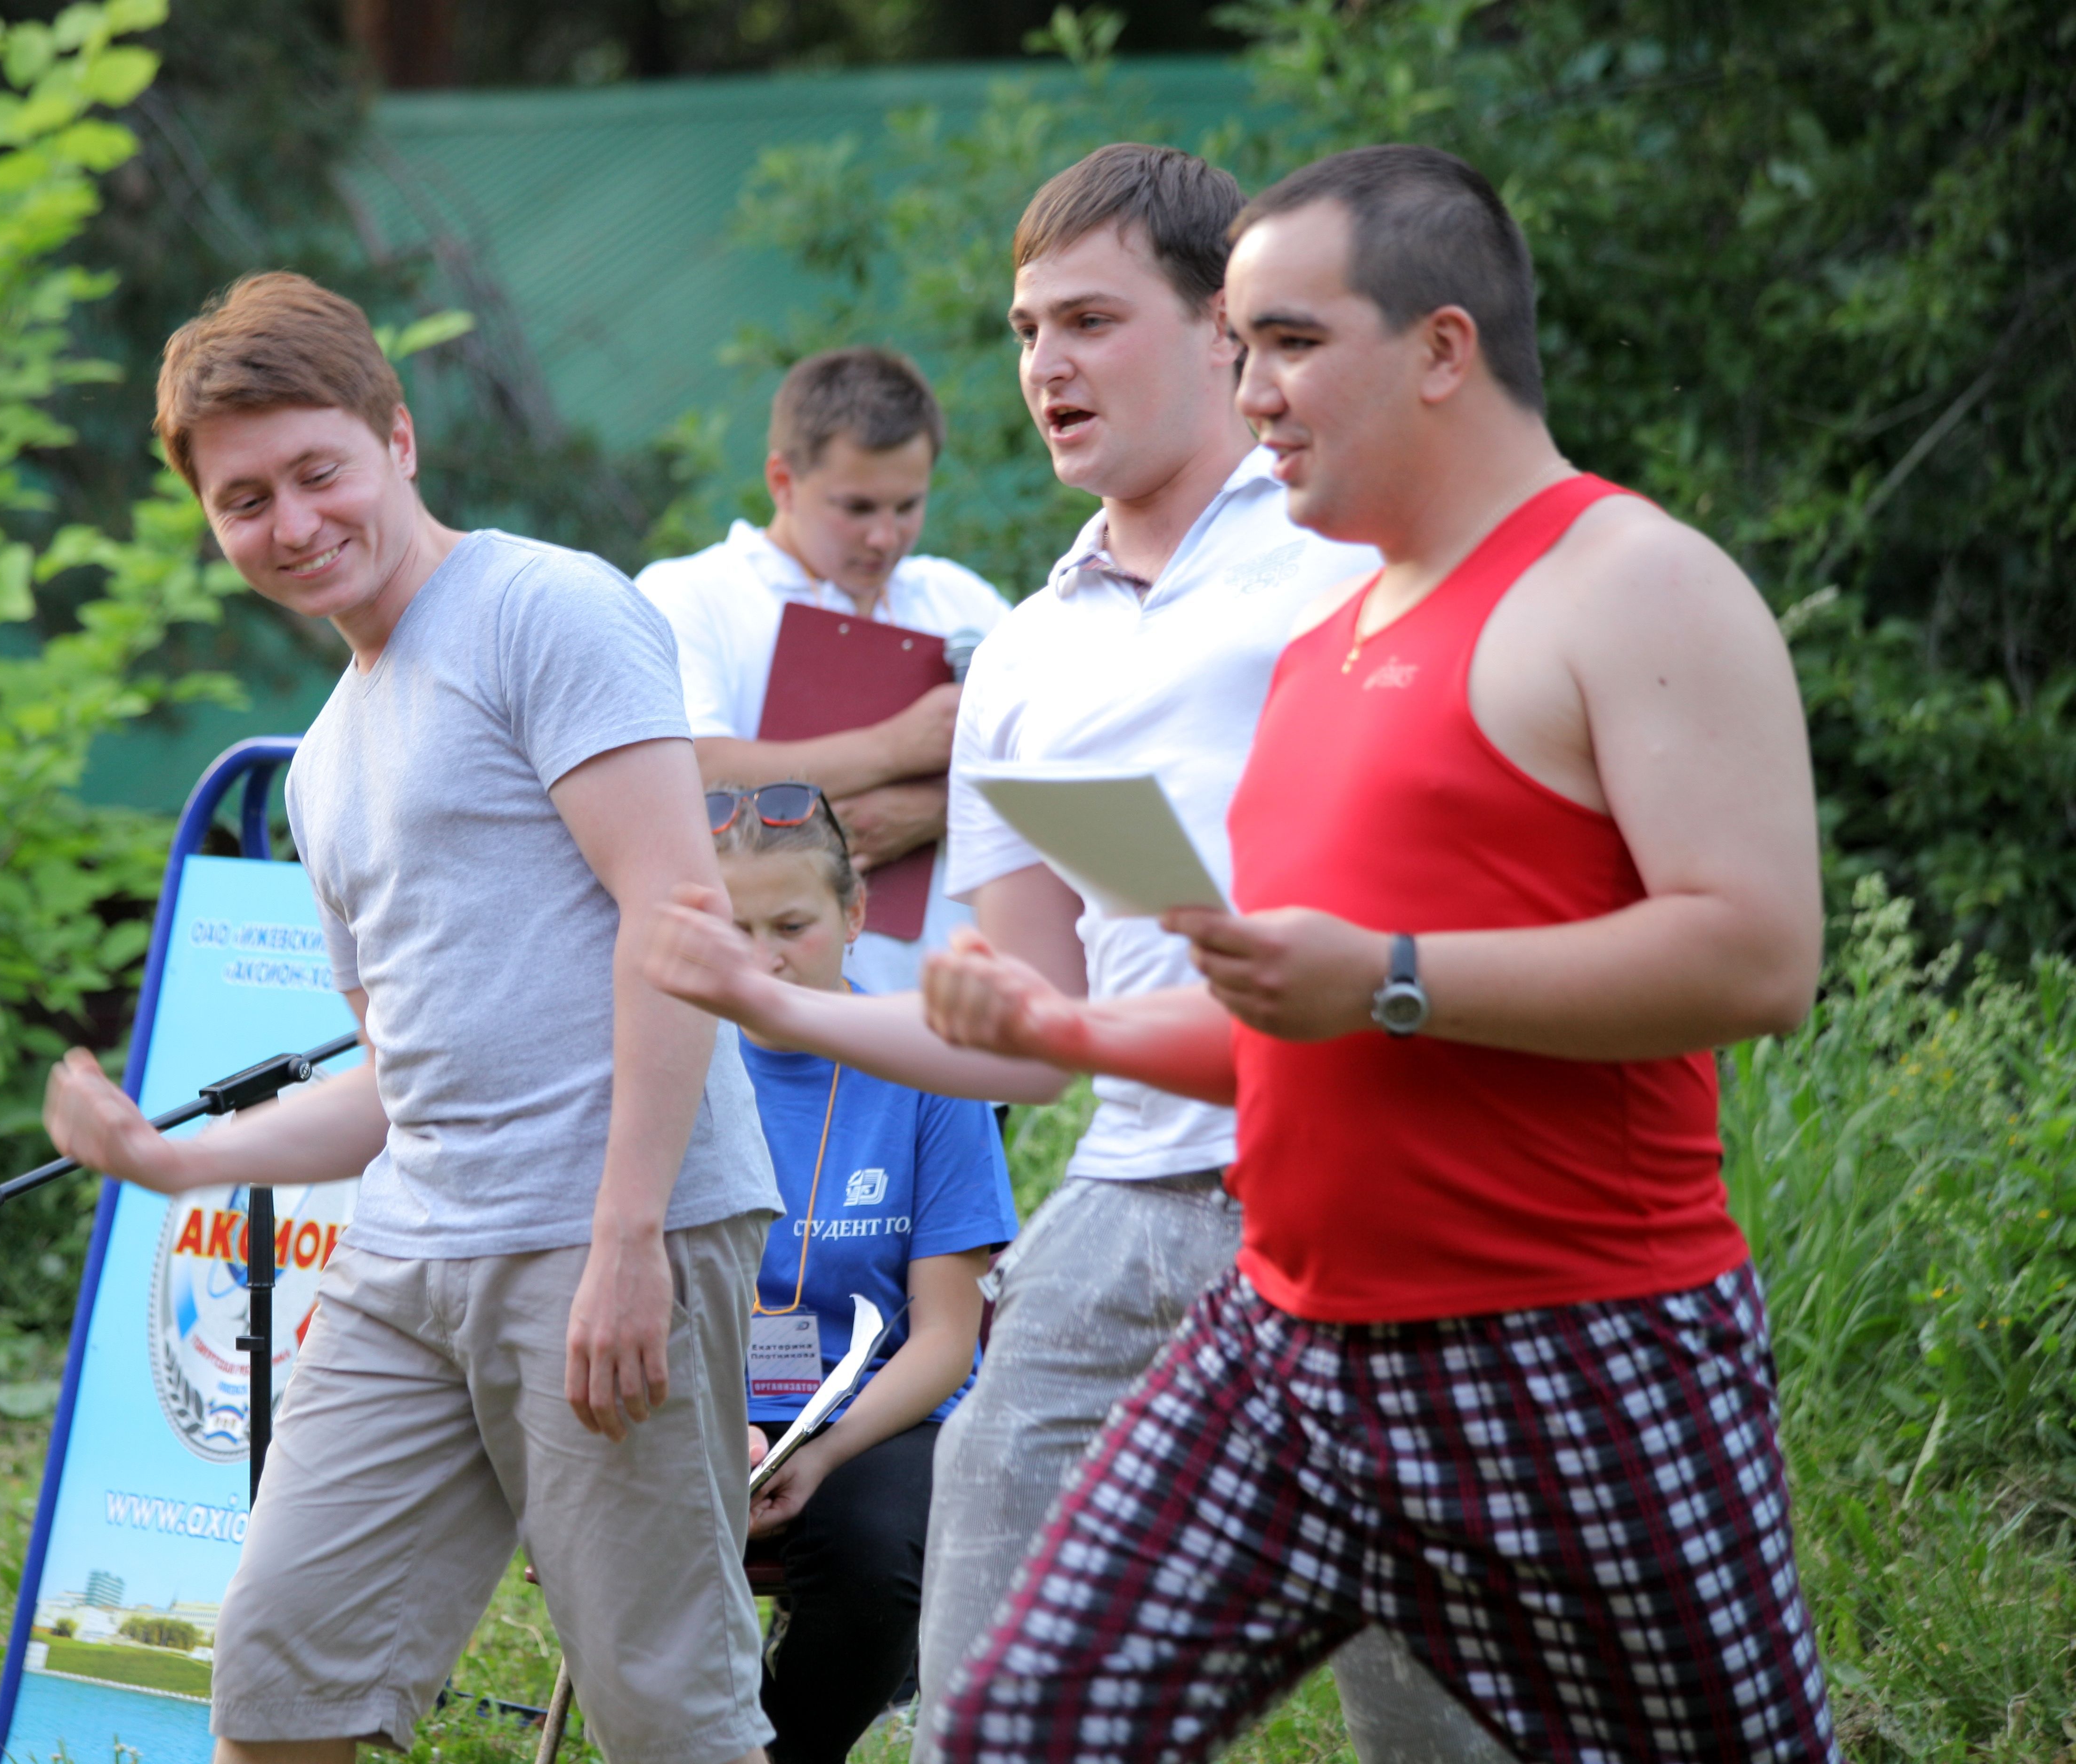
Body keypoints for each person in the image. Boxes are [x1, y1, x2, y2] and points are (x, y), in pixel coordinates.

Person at [917, 144, 1838, 1761]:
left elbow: (1756, 958)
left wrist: (1392, 975)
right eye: (1244, 344)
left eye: (1288, 341)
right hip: (1282, 1335)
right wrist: (1064, 1029)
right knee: (1016, 1728)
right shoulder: (1329, 645)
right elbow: (1294, 1015)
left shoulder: (1634, 582)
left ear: (1439, 348)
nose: (1250, 387)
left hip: (1572, 1345)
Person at [647, 146, 1505, 1762]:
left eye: (1091, 320)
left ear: (1222, 332)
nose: (1046, 363)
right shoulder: (1027, 649)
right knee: (989, 1684)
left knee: (1434, 1724)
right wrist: (767, 995)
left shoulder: (1351, 565)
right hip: (1122, 1199)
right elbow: (1026, 1036)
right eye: (1026, 328)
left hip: (1373, 1190)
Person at [40, 272, 783, 1764]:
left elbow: (678, 921)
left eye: (318, 471)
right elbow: (397, 1077)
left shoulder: (544, 610)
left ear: (399, 438)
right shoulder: (322, 762)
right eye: (245, 500)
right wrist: (176, 1161)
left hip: (604, 1232)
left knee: (663, 1710)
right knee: (275, 1682)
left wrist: (628, 1239)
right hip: (410, 1257)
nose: (293, 523)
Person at [702, 780, 1018, 1764]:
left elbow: (947, 1338)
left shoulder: (928, 1066)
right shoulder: (671, 1060)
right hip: (698, 1407)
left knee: (876, 1562)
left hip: (877, 1415)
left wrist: (821, 1454)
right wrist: (717, 1428)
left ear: (854, 914)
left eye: (791, 926)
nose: (762, 958)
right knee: (642, 1551)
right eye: (732, 929)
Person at [638, 348, 1009, 994]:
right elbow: (685, 773)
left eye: (908, 505)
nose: (885, 537)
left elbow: (1066, 763)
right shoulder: (690, 595)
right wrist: (898, 747)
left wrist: (936, 810)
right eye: (858, 508)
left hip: (950, 1002)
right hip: (763, 1003)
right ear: (782, 481)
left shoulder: (959, 598)